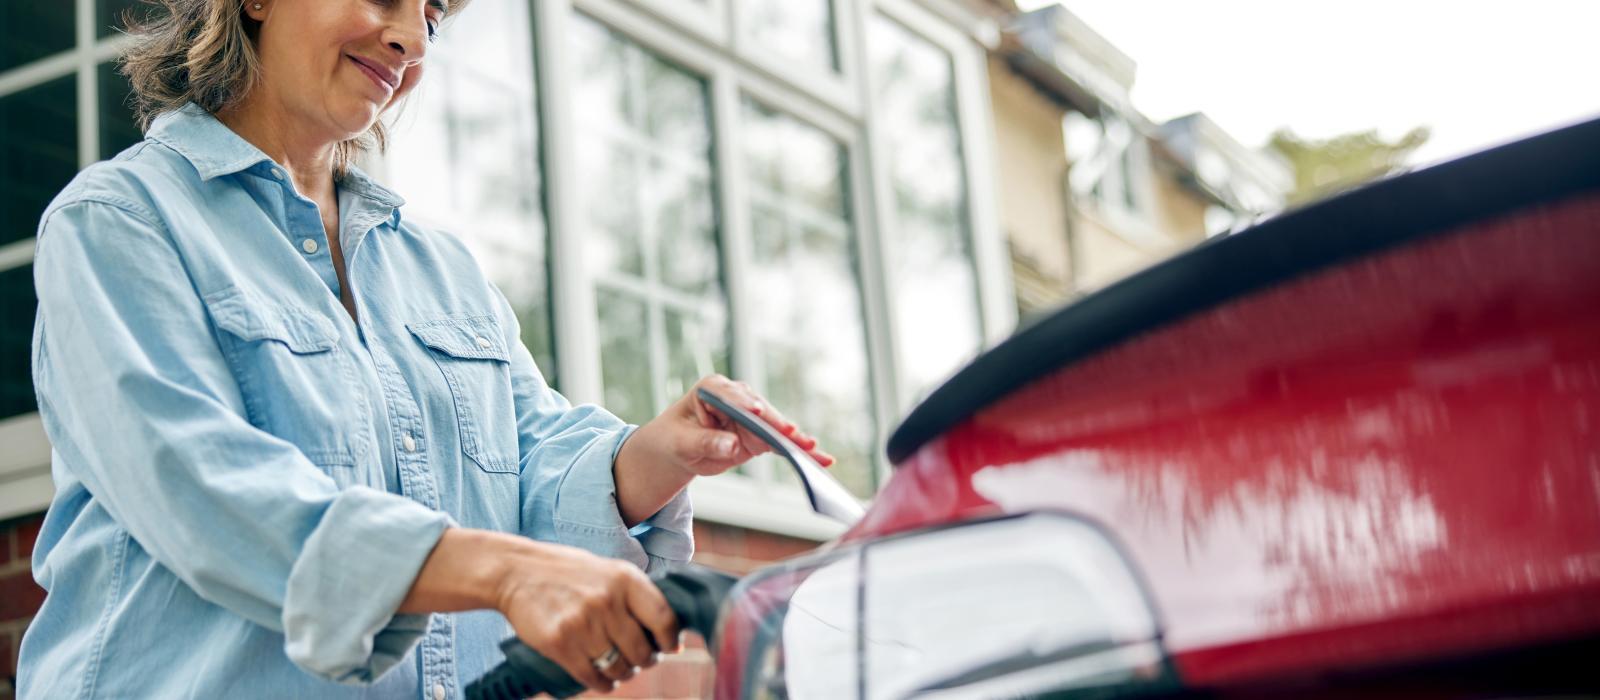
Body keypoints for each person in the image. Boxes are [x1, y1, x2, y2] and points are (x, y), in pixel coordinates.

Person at [16, 0, 835, 696]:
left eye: (434, 12)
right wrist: (503, 572)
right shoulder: (119, 222)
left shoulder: (438, 267)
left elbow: (526, 462)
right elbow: (205, 492)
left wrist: (657, 457)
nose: (412, 37)